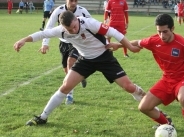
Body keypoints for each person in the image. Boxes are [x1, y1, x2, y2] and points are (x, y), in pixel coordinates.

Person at [14, 11, 172, 126]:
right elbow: (42, 34)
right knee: (65, 86)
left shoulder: (89, 24)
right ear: (63, 27)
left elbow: (114, 32)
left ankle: (157, 112)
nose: (74, 30)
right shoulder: (61, 30)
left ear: (77, 19)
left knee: (129, 87)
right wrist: (23, 40)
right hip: (85, 60)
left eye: (75, 26)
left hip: (104, 58)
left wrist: (129, 46)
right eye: (70, 30)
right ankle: (43, 117)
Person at [116, 14, 184, 137]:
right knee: (143, 107)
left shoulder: (183, 44)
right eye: (159, 32)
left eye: (165, 32)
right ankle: (167, 123)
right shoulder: (154, 41)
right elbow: (137, 42)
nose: (162, 36)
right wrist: (118, 45)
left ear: (172, 29)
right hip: (166, 80)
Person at [40, 0, 91, 105]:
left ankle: (70, 95)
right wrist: (45, 43)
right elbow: (49, 26)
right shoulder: (58, 11)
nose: (73, 3)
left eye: (75, 1)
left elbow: (91, 25)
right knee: (67, 70)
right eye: (71, 1)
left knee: (70, 62)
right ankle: (81, 76)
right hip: (63, 43)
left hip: (77, 43)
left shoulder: (82, 11)